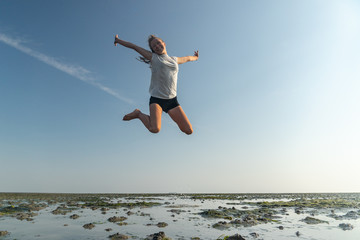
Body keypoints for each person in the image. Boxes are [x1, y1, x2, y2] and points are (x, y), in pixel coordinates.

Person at [114, 34, 199, 135]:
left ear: (164, 43)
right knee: (155, 129)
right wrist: (118, 41)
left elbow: (187, 58)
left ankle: (139, 114)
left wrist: (195, 57)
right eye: (154, 46)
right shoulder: (153, 58)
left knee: (189, 130)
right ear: (153, 50)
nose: (157, 46)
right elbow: (134, 47)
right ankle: (138, 114)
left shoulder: (174, 60)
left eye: (158, 43)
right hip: (156, 99)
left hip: (172, 101)